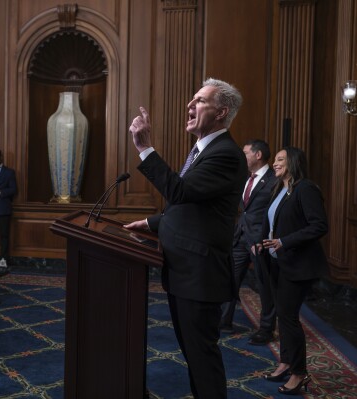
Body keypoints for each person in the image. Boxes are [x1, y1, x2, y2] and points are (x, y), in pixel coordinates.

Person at [124, 78, 247, 398]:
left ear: (221, 112)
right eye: (192, 100)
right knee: (194, 355)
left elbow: (179, 193)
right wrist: (152, 222)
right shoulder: (202, 150)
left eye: (200, 101)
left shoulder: (226, 154)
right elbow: (193, 208)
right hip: (185, 271)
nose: (190, 106)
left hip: (200, 275)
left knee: (201, 357)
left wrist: (144, 148)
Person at [258, 146, 328, 395]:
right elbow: (271, 223)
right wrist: (261, 242)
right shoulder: (280, 189)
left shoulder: (305, 188)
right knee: (283, 316)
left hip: (297, 265)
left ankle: (299, 373)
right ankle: (286, 362)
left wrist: (284, 242)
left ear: (294, 162)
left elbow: (319, 225)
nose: (274, 163)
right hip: (277, 262)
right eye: (275, 159)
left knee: (288, 318)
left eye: (280, 159)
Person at [220, 139, 278, 345]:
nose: (242, 157)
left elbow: (274, 213)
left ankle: (266, 329)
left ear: (258, 155)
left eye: (245, 153)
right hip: (239, 239)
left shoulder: (273, 180)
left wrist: (264, 239)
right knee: (230, 280)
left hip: (260, 241)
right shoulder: (245, 178)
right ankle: (224, 321)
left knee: (264, 286)